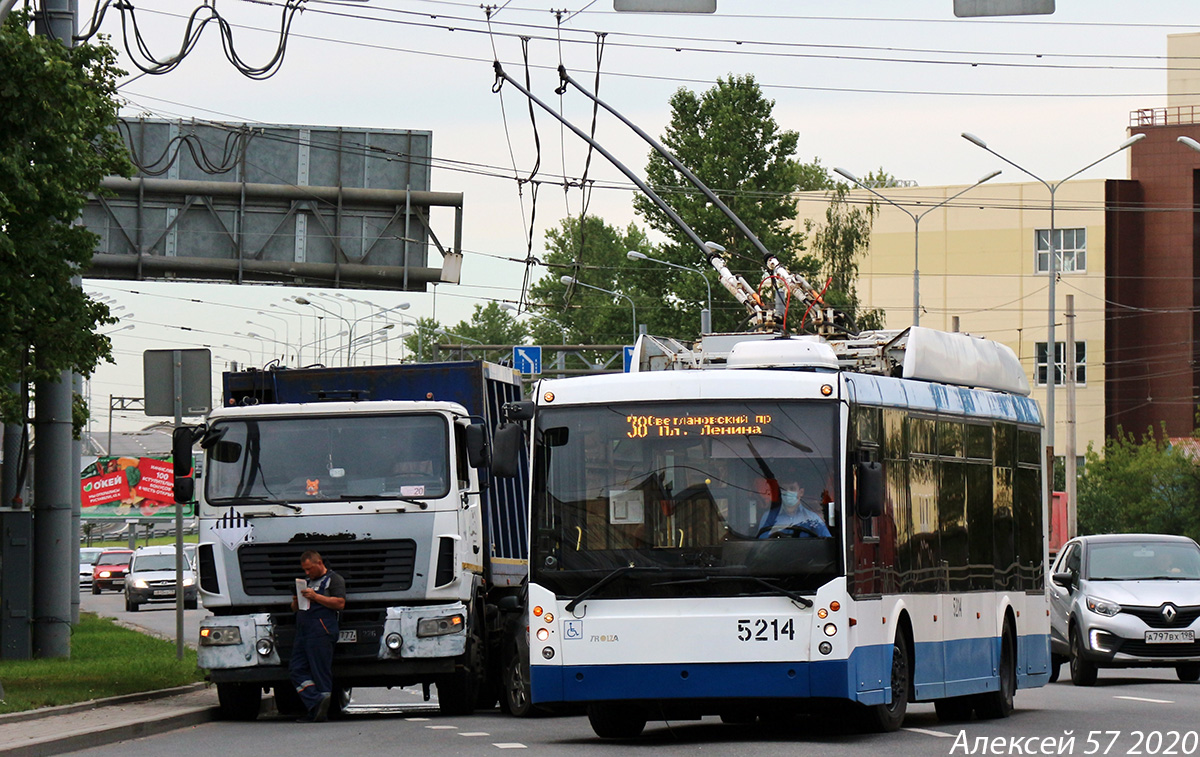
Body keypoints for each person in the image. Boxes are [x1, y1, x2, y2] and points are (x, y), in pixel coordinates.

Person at [289, 550, 346, 722]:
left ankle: (319, 712)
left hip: (321, 630)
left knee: (320, 671)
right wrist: (296, 601)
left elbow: (340, 603)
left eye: (309, 569)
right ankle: (315, 700)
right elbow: (294, 609)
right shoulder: (305, 582)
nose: (307, 573)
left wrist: (316, 597)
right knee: (296, 669)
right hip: (303, 631)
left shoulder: (334, 579)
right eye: (304, 570)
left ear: (319, 563)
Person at [756, 479, 831, 539]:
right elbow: (761, 544)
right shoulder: (769, 517)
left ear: (801, 492)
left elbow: (827, 541)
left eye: (792, 488)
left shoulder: (812, 518)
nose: (788, 492)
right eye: (784, 489)